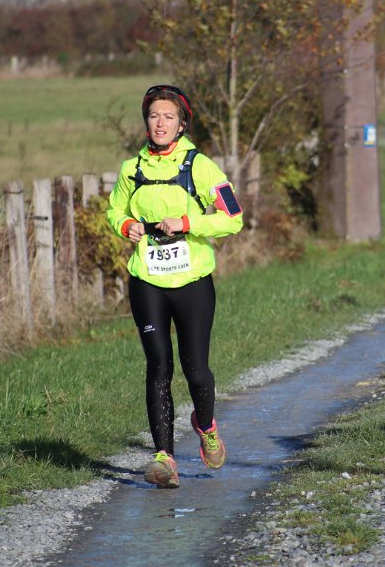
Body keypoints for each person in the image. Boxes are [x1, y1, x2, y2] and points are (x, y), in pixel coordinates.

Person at [107, 84, 244, 488]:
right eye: (154, 116)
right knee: (158, 366)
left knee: (196, 370)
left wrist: (187, 223)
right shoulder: (130, 169)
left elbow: (233, 218)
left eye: (168, 116)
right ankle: (164, 458)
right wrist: (125, 225)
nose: (160, 123)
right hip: (147, 280)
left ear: (181, 124)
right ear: (146, 123)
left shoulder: (200, 167)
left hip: (192, 281)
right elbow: (114, 210)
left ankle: (206, 426)